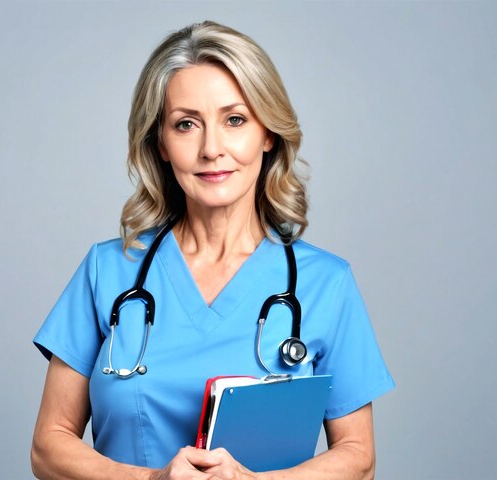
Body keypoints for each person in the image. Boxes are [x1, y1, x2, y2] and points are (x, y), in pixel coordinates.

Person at [31, 20, 394, 480]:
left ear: (268, 134)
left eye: (235, 120)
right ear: (160, 143)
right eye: (186, 125)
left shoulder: (327, 284)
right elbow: (48, 446)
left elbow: (359, 456)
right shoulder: (108, 272)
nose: (211, 149)